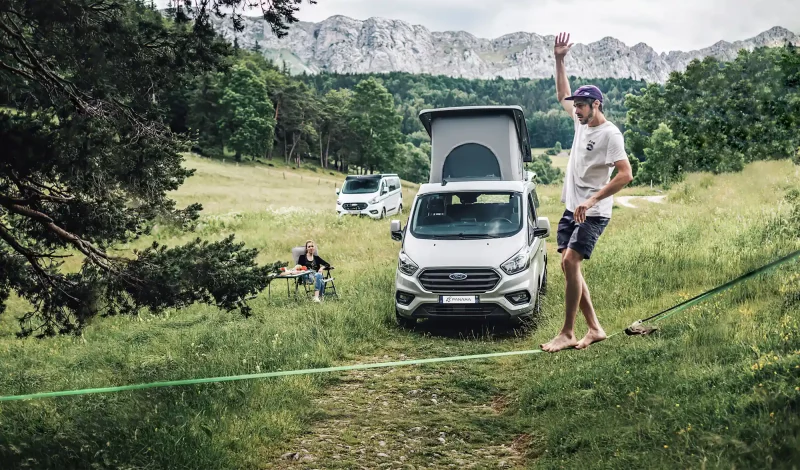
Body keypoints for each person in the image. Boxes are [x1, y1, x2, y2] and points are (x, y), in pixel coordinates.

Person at [540, 32, 634, 353]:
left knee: (570, 260)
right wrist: (559, 59)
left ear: (596, 105)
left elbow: (626, 174)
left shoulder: (611, 135)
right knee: (569, 266)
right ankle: (594, 328)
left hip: (593, 212)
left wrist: (593, 199)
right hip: (572, 209)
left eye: (581, 106)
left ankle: (567, 332)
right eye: (576, 106)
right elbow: (561, 93)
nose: (576, 110)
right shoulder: (581, 123)